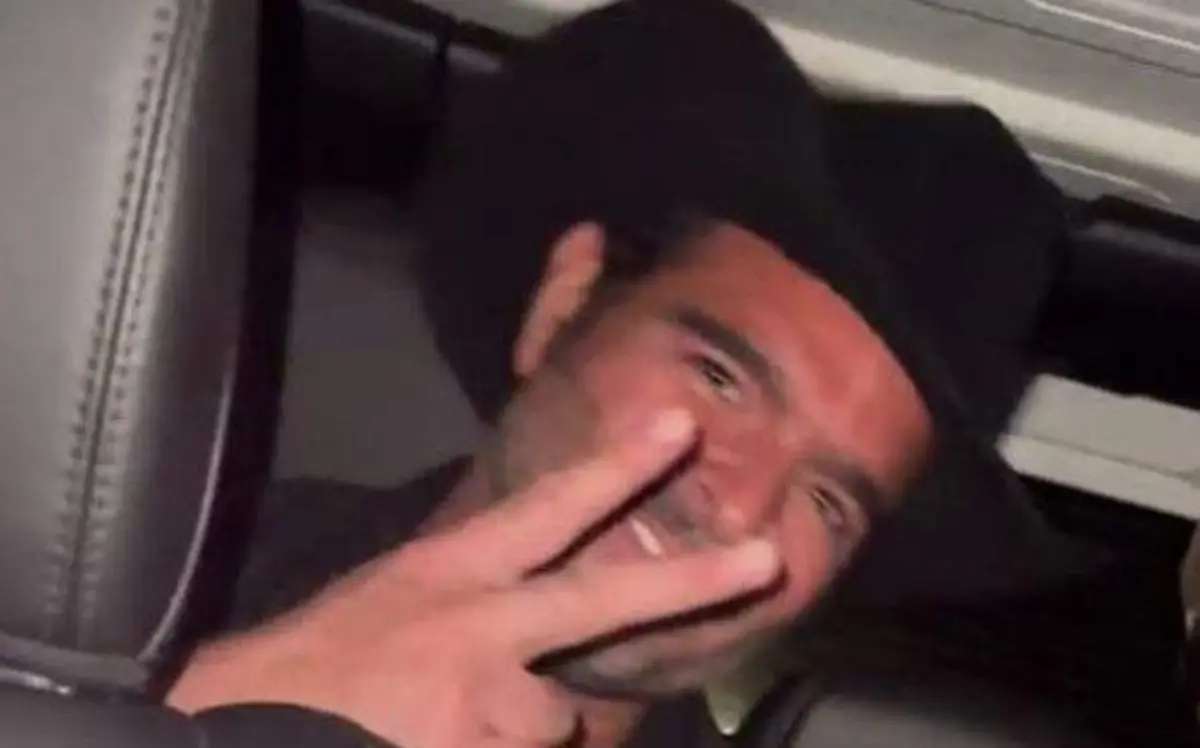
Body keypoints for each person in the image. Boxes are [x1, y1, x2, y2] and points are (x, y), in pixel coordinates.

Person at [170, 0, 1094, 746]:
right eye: (721, 378)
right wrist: (227, 714)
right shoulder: (151, 577)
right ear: (565, 303)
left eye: (827, 501)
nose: (739, 508)